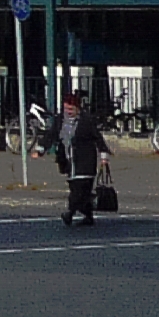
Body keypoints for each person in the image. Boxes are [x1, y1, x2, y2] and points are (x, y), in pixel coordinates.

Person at [56, 90, 106, 225]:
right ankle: (88, 216)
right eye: (66, 108)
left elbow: (98, 138)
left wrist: (103, 155)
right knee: (80, 192)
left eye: (71, 109)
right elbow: (52, 134)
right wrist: (40, 149)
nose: (68, 111)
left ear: (78, 108)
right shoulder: (61, 120)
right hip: (69, 161)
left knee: (79, 190)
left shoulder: (86, 121)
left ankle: (69, 213)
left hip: (85, 161)